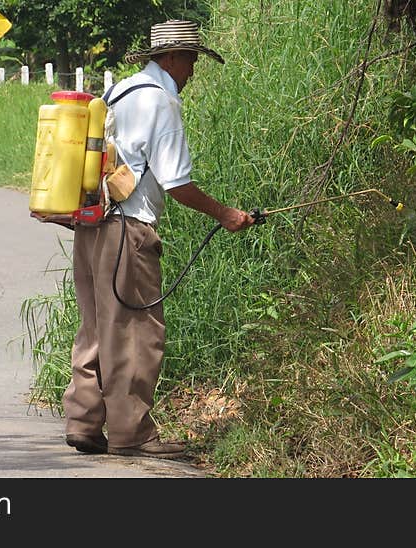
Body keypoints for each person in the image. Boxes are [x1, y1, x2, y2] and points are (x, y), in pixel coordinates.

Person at [63, 19, 255, 460]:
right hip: (127, 231)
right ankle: (132, 434)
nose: (191, 73)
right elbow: (177, 183)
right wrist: (226, 214)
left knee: (95, 326)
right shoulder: (162, 102)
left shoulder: (118, 92)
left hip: (90, 226)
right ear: (171, 59)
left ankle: (85, 422)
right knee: (134, 332)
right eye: (190, 61)